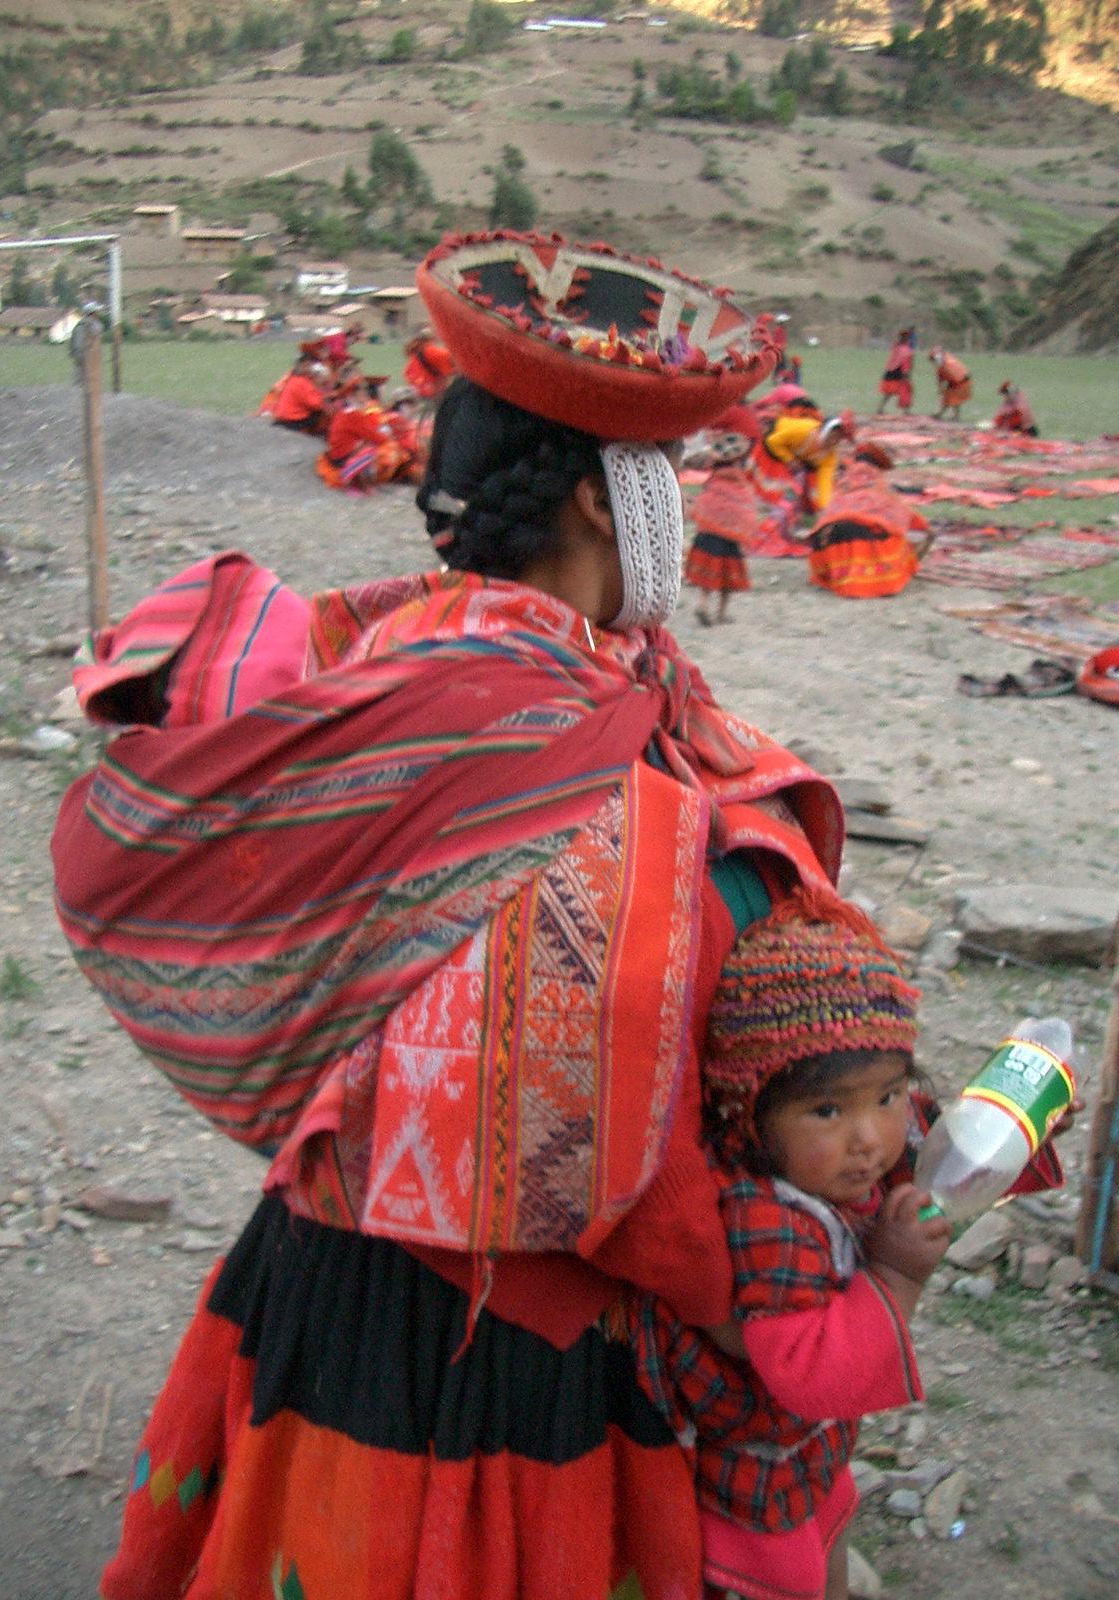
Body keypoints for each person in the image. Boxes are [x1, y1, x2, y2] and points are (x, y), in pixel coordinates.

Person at [54, 229, 877, 1600]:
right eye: (663, 476)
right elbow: (630, 1146)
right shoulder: (609, 786)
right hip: (516, 1359)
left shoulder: (367, 669)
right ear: (605, 502)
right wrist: (767, 1306)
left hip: (323, 1284)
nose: (679, 510)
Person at [628, 900, 1066, 1600]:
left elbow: (945, 1159)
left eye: (888, 1095)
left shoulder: (845, 1159)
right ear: (750, 1113)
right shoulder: (765, 1222)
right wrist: (894, 1274)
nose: (870, 1138)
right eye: (827, 1110)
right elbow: (816, 1376)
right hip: (756, 1479)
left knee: (830, 1533)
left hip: (812, 1452)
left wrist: (1017, 1136)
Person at [807, 440, 929, 598]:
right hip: (858, 539)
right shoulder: (879, 485)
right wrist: (925, 528)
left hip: (826, 542)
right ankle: (871, 579)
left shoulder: (842, 485)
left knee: (838, 529)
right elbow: (905, 517)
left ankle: (835, 574)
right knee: (896, 538)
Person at [685, 430, 758, 625]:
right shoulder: (740, 483)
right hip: (730, 537)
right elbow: (746, 512)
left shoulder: (714, 480)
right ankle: (721, 612)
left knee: (707, 573)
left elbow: (692, 462)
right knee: (728, 576)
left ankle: (702, 604)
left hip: (708, 532)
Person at [315, 374, 417, 489]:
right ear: (353, 395)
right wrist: (389, 439)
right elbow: (376, 438)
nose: (365, 394)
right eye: (362, 391)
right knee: (390, 449)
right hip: (343, 460)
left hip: (339, 457)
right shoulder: (354, 414)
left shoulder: (346, 413)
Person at [269, 349, 332, 434]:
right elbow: (316, 405)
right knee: (320, 415)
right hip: (292, 421)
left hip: (281, 419)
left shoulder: (292, 379)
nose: (307, 368)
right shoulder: (302, 382)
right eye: (305, 365)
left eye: (308, 365)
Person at [404, 327, 456, 400]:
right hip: (431, 391)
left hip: (418, 388)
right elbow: (450, 372)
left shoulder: (417, 351)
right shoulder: (433, 352)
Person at [876, 327, 916, 414]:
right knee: (906, 391)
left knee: (889, 393)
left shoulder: (896, 347)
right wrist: (906, 375)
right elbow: (905, 364)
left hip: (890, 372)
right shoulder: (906, 351)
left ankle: (880, 408)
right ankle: (906, 411)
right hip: (899, 373)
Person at [930, 347, 972, 420]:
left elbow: (957, 376)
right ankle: (940, 414)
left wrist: (947, 385)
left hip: (961, 382)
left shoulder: (950, 363)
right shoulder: (942, 364)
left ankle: (954, 416)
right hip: (955, 382)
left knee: (954, 399)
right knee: (948, 398)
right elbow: (940, 377)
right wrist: (940, 387)